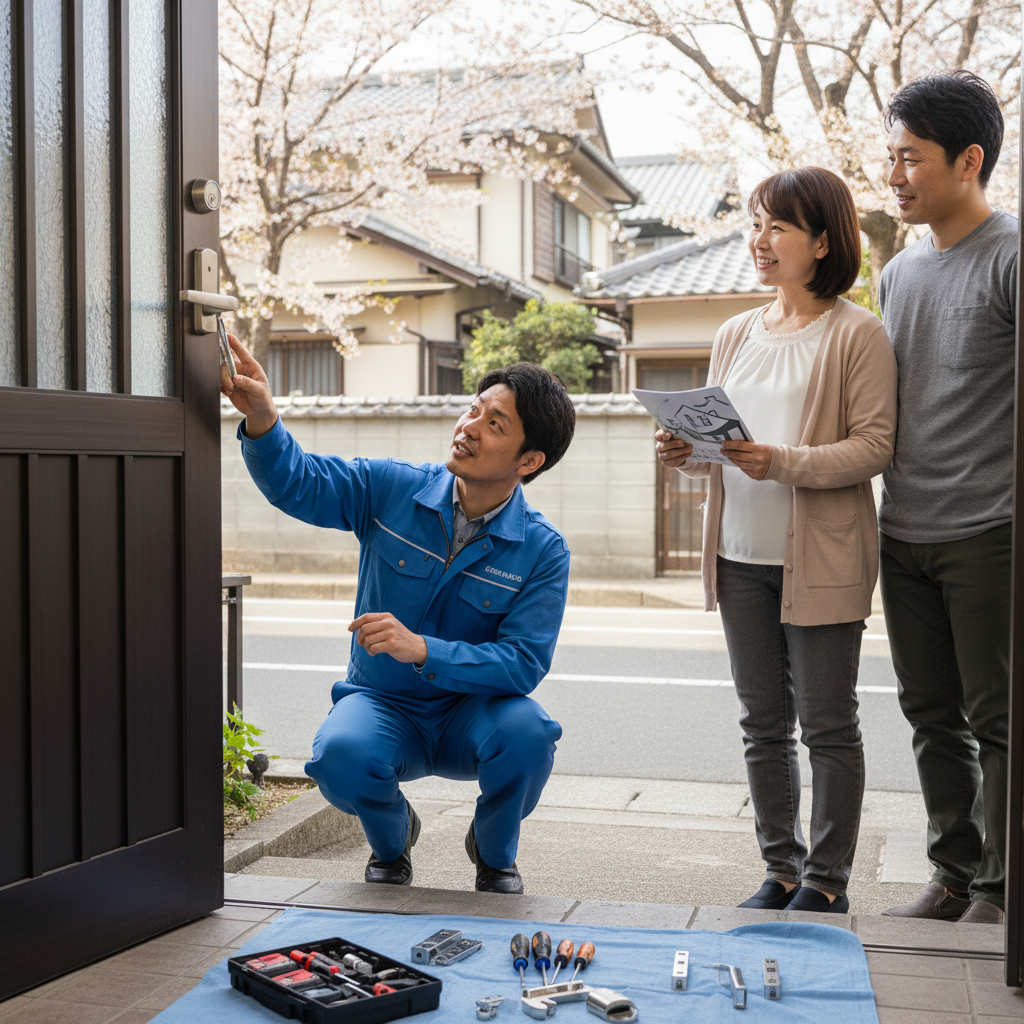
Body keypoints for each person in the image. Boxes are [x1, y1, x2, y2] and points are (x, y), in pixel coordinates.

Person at [222, 340, 576, 894]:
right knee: (339, 755)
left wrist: (423, 650)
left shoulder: (542, 549)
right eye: (474, 408)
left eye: (496, 423)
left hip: (473, 714)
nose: (470, 426)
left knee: (530, 733)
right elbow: (301, 483)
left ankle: (494, 852)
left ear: (528, 462)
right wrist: (264, 420)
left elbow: (523, 663)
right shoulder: (391, 489)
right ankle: (392, 843)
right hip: (382, 704)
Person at [655, 167, 898, 913]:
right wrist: (682, 449)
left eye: (778, 227)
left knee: (827, 723)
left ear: (823, 242)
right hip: (737, 555)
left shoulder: (859, 333)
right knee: (762, 724)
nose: (759, 241)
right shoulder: (735, 332)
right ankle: (781, 869)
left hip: (820, 561)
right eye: (755, 225)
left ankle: (826, 882)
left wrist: (782, 462)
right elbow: (719, 442)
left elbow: (876, 446)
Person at [876, 71, 1016, 925]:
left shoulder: (1011, 258)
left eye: (910, 158)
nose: (895, 175)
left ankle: (1003, 891)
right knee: (931, 715)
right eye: (889, 157)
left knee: (998, 719)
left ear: (968, 161)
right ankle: (955, 873)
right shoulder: (897, 274)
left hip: (991, 531)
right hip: (906, 527)